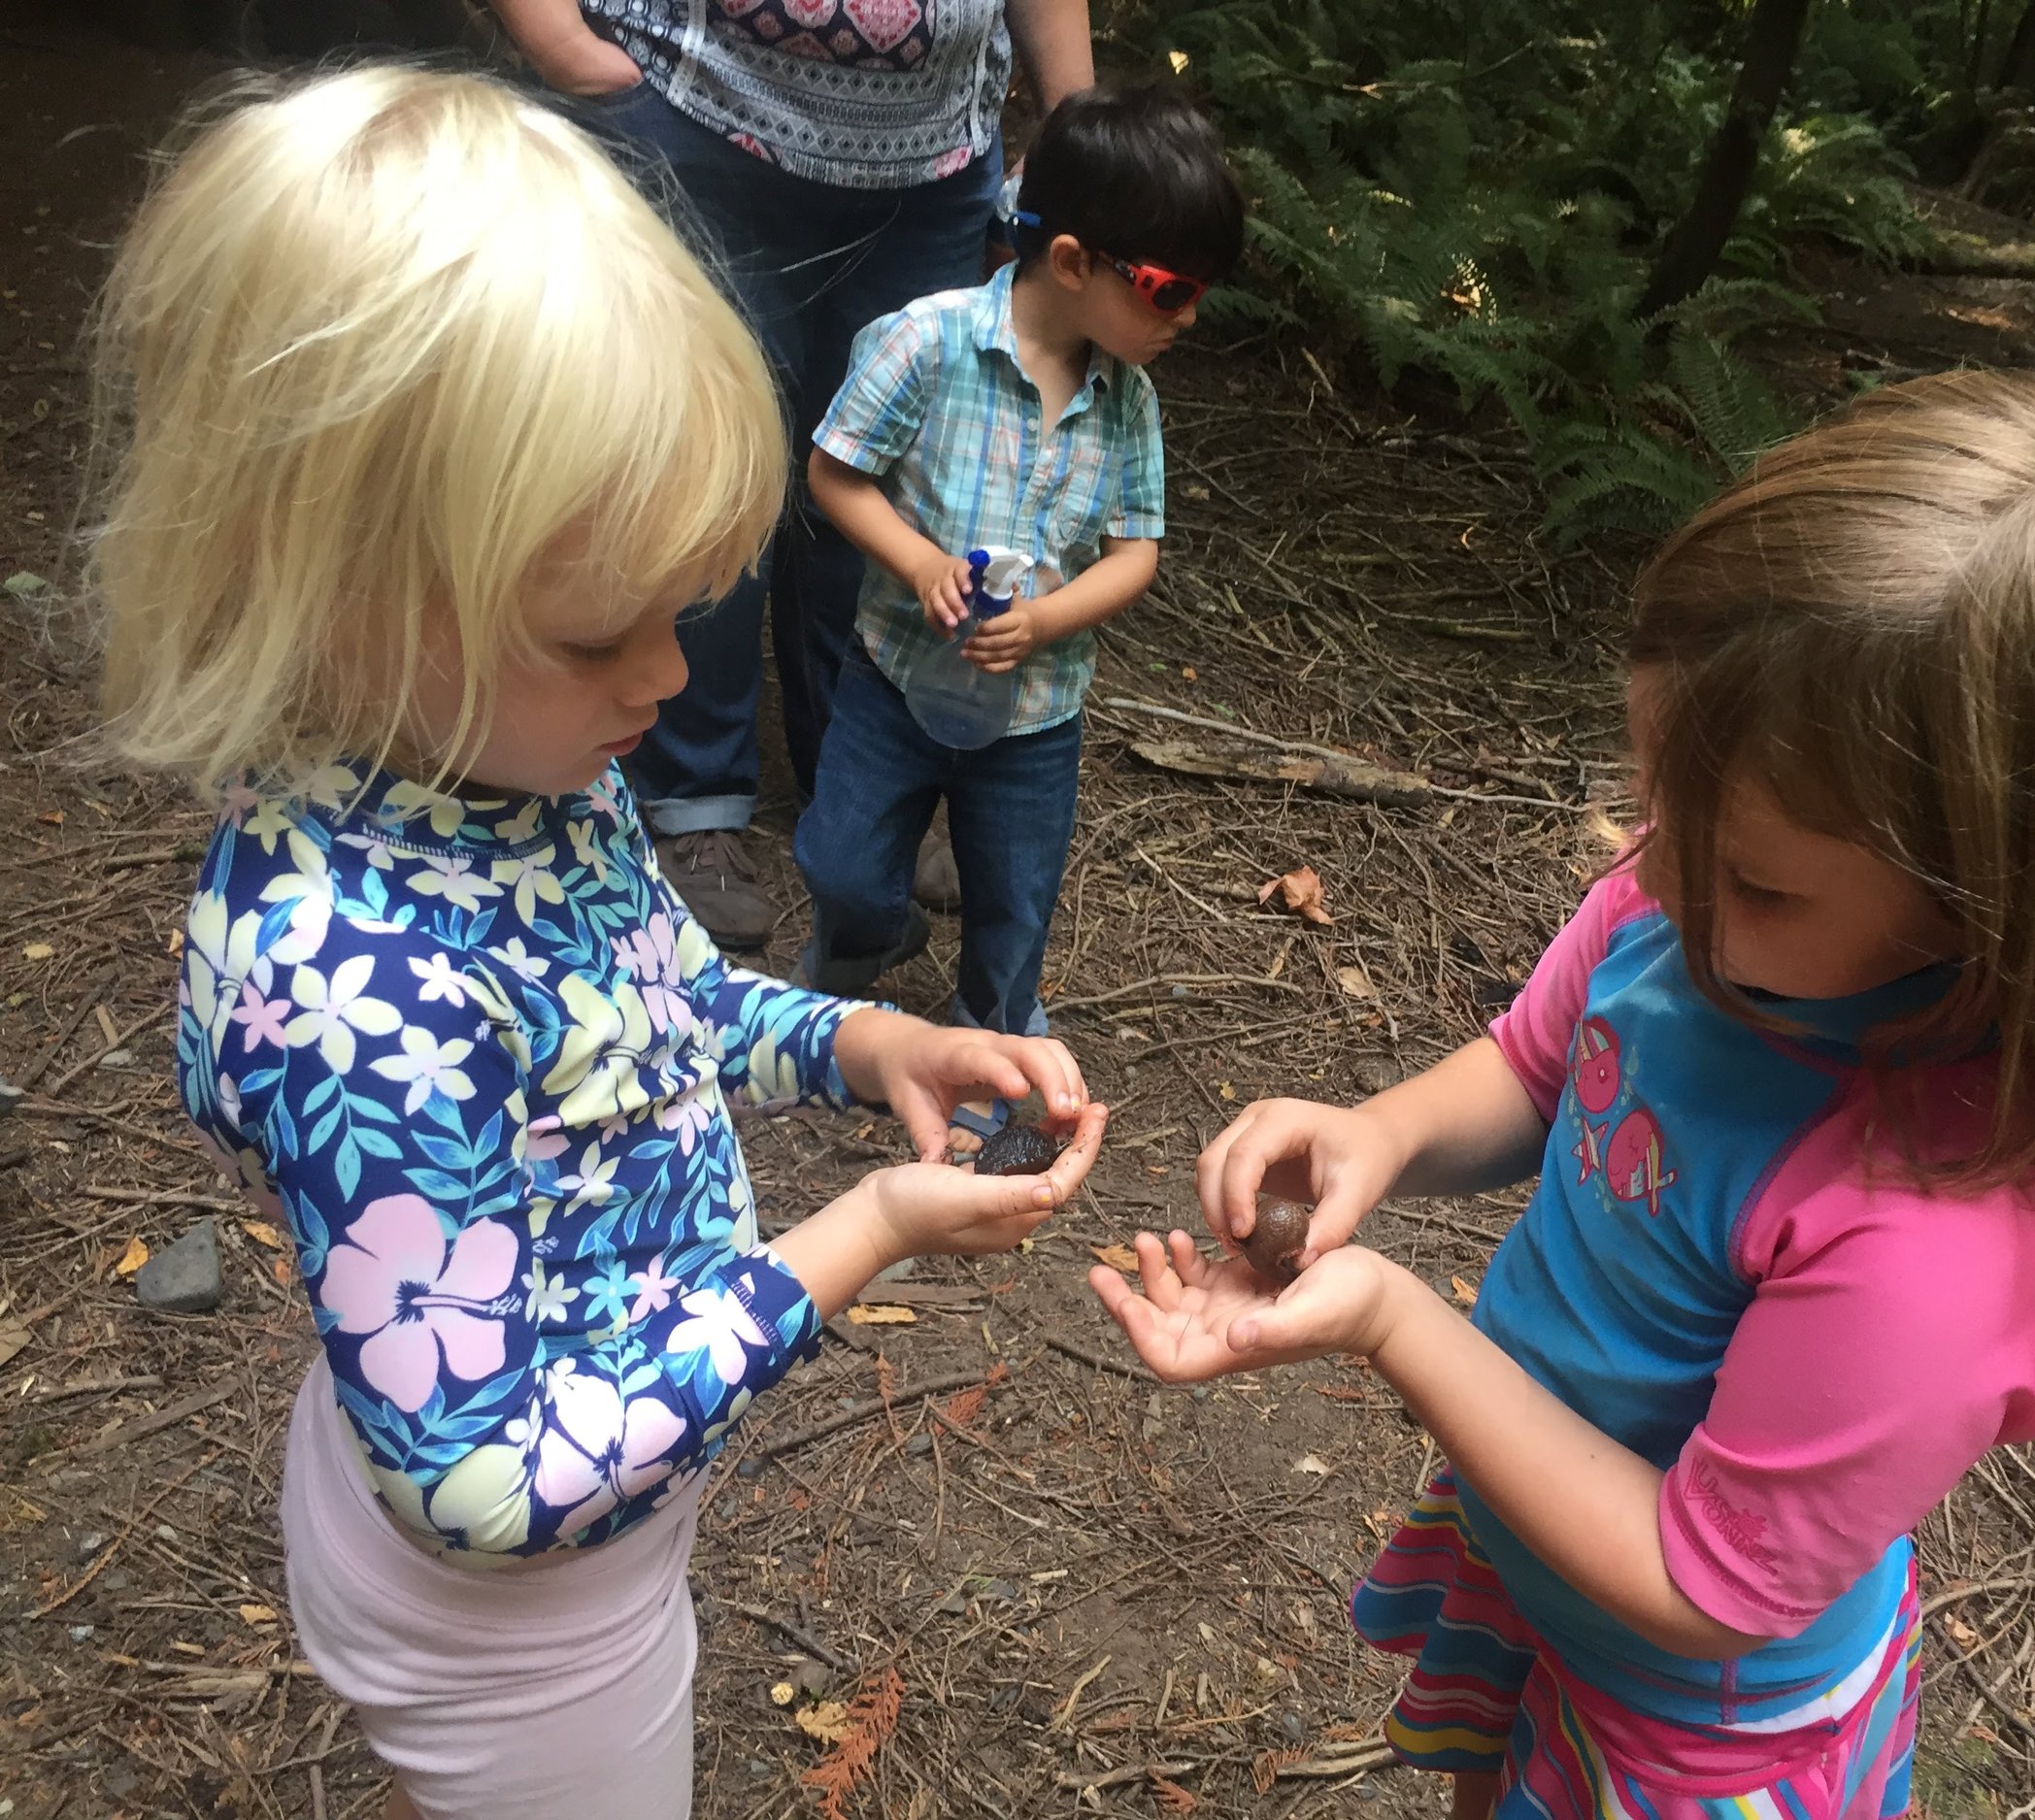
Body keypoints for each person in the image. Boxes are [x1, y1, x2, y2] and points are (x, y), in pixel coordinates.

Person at [88, 68, 1108, 1820]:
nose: (664, 679)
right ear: (339, 587)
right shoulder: (353, 991)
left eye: (680, 616)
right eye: (596, 632)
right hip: (520, 1612)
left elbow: (654, 1004)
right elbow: (482, 1484)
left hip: (584, 1478)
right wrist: (855, 1237)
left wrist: (869, 1050)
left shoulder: (506, 767)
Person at [1091, 371, 2035, 1819]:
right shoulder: (1682, 909)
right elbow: (1547, 1067)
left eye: (1758, 878)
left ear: (2015, 894)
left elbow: (1699, 1574)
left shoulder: (1933, 1231)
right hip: (1539, 1542)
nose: (1652, 874)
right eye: (1662, 796)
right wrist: (1384, 1131)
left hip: (1691, 1715)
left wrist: (1390, 1316)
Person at [490, 0, 1097, 949]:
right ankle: (693, 801)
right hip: (701, 122)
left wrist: (1074, 127)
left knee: (886, 477)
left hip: (929, 166)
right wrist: (555, 37)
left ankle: (862, 788)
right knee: (705, 464)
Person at [795, 84, 1242, 1046]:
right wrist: (919, 564)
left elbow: (1135, 553)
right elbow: (834, 472)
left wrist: (1045, 621)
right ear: (1075, 261)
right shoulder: (928, 341)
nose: (1190, 318)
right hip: (894, 677)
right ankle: (850, 968)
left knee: (1014, 896)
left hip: (1036, 715)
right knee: (845, 864)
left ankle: (993, 1032)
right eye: (1173, 289)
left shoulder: (1126, 403)